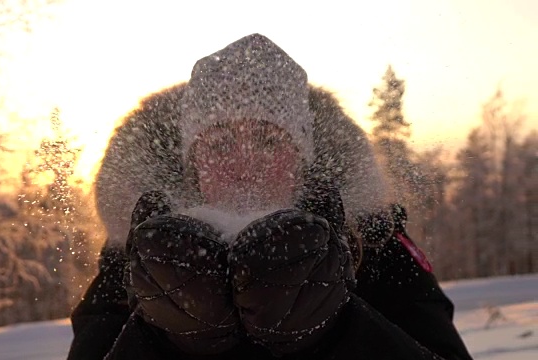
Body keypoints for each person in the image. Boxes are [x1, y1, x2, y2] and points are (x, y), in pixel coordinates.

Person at [67, 34, 473, 360]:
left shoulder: (372, 241)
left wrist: (334, 330)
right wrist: (169, 338)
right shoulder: (142, 255)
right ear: (194, 165)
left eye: (266, 141)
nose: (244, 164)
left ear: (302, 158)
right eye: (221, 144)